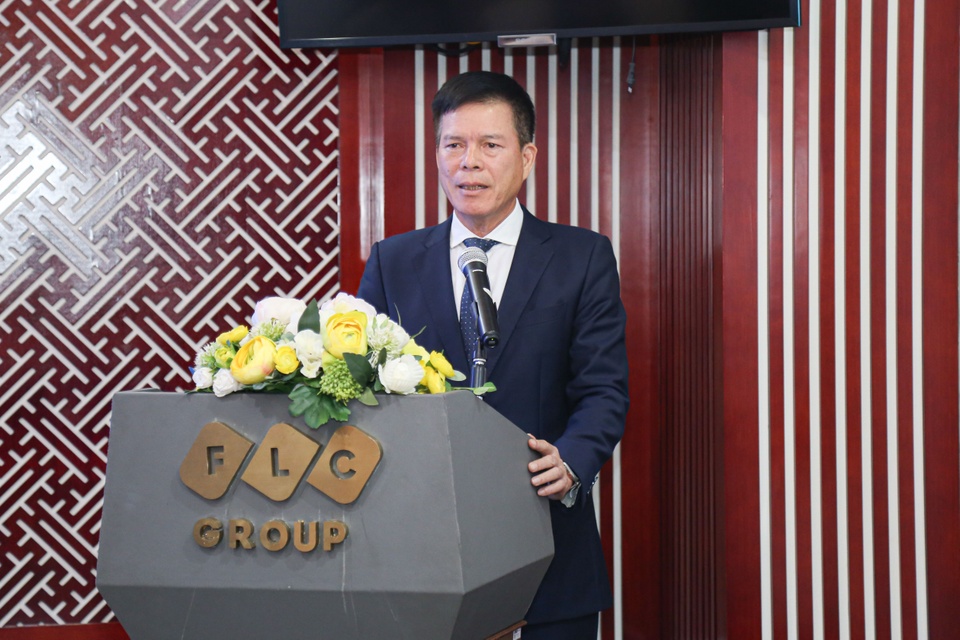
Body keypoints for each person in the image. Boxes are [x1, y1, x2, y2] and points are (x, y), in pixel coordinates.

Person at [357, 70, 629, 639]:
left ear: (526, 158)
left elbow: (603, 387)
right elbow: (364, 392)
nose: (468, 163)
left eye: (489, 145)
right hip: (419, 547)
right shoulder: (393, 261)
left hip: (548, 533)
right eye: (453, 144)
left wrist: (573, 460)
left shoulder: (581, 257)